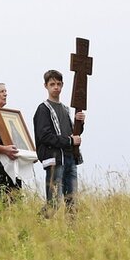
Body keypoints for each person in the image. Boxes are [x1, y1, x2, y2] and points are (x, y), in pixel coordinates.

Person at [34, 69, 83, 213]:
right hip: (55, 160)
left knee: (72, 201)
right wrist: (69, 141)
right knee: (53, 203)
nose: (56, 87)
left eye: (58, 84)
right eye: (52, 84)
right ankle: (37, 227)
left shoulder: (65, 109)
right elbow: (45, 136)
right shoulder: (43, 109)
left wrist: (80, 123)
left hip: (70, 158)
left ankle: (71, 233)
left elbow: (73, 133)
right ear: (46, 86)